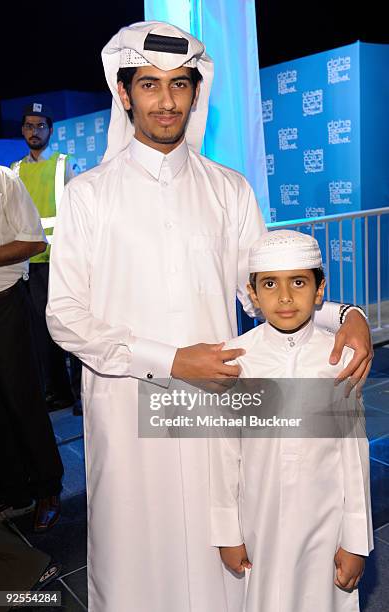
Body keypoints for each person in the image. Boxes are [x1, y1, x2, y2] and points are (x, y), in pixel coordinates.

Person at [46, 21, 373, 612]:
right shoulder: (87, 196)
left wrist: (344, 314)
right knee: (136, 556)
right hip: (127, 405)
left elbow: (268, 290)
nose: (166, 101)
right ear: (125, 94)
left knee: (226, 543)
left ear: (197, 93)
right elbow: (65, 315)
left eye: (179, 85)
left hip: (216, 401)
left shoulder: (230, 190)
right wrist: (169, 360)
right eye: (149, 85)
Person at [210, 230, 373, 612]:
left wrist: (355, 539)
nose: (284, 297)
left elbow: (354, 455)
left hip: (325, 520)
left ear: (319, 291)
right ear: (253, 294)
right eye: (270, 284)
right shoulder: (237, 359)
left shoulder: (336, 359)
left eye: (298, 282)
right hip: (260, 519)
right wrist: (227, 532)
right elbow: (223, 452)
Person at [0, 166, 63, 532]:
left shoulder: (3, 180)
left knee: (23, 399)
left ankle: (48, 489)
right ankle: (13, 490)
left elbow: (35, 241)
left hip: (5, 301)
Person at [11, 103, 81, 412]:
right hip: (30, 265)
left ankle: (81, 394)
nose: (34, 131)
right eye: (29, 126)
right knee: (41, 332)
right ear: (22, 130)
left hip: (63, 260)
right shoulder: (14, 171)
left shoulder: (63, 163)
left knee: (74, 326)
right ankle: (57, 392)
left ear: (50, 131)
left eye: (40, 126)